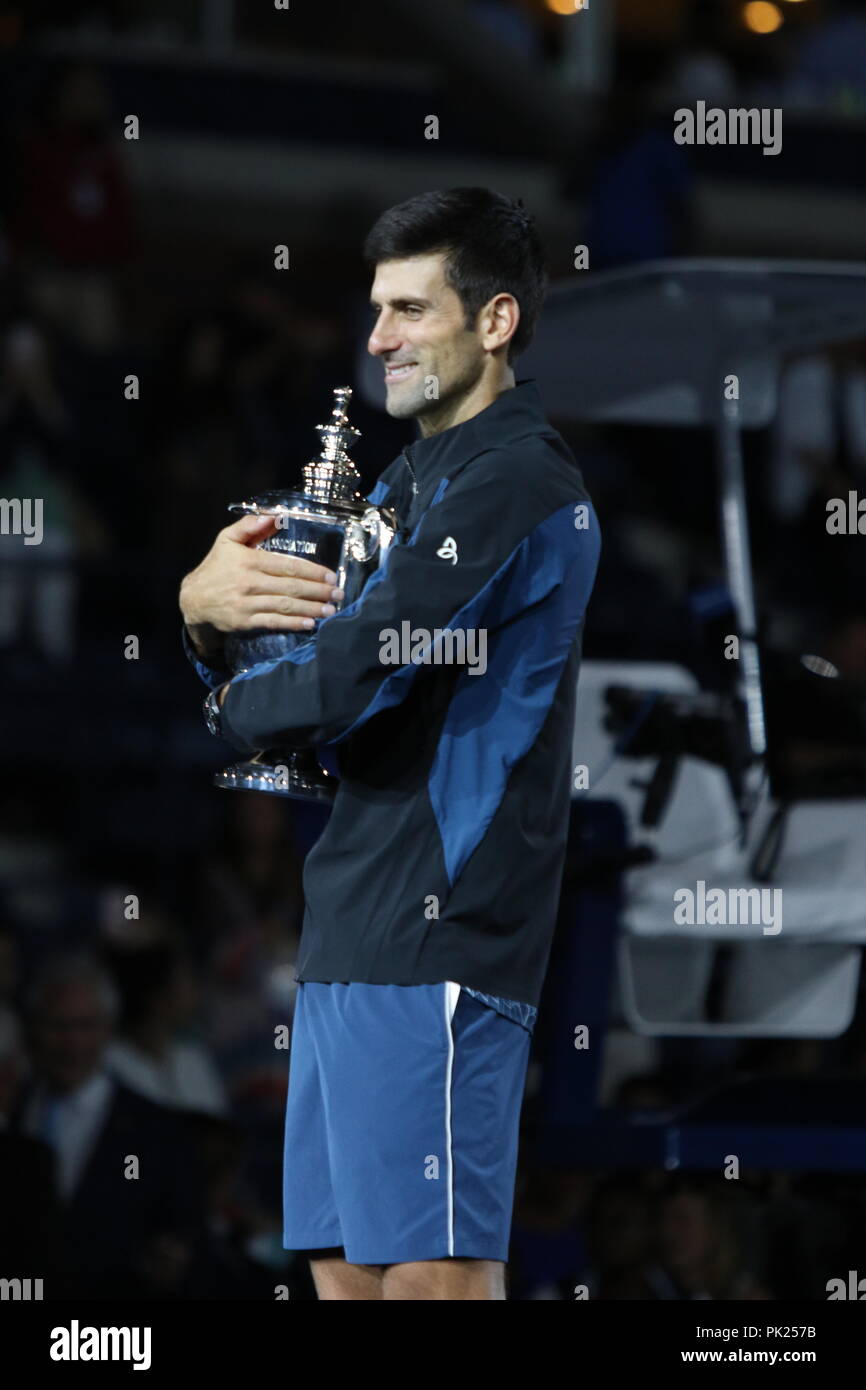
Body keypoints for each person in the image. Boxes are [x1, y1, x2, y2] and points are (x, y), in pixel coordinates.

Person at [179, 187, 601, 1300]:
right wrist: (208, 620)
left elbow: (355, 671)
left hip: (441, 937)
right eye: (376, 310)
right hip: (351, 930)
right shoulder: (409, 482)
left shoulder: (518, 481)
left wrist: (221, 700)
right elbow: (319, 675)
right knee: (344, 1281)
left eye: (410, 309)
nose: (377, 339)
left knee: (431, 1285)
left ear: (496, 321)